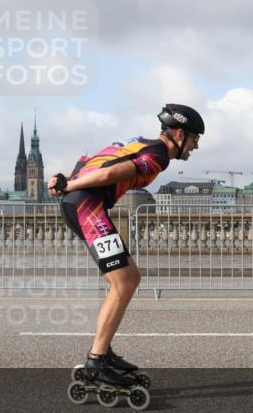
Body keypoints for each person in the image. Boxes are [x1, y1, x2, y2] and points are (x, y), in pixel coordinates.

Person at [48, 104, 203, 389]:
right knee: (124, 283)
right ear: (179, 134)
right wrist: (68, 186)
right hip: (87, 207)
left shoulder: (141, 142)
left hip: (82, 204)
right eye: (194, 139)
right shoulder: (158, 156)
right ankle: (97, 360)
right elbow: (109, 175)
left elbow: (89, 160)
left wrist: (63, 181)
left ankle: (102, 353)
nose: (196, 146)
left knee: (129, 279)